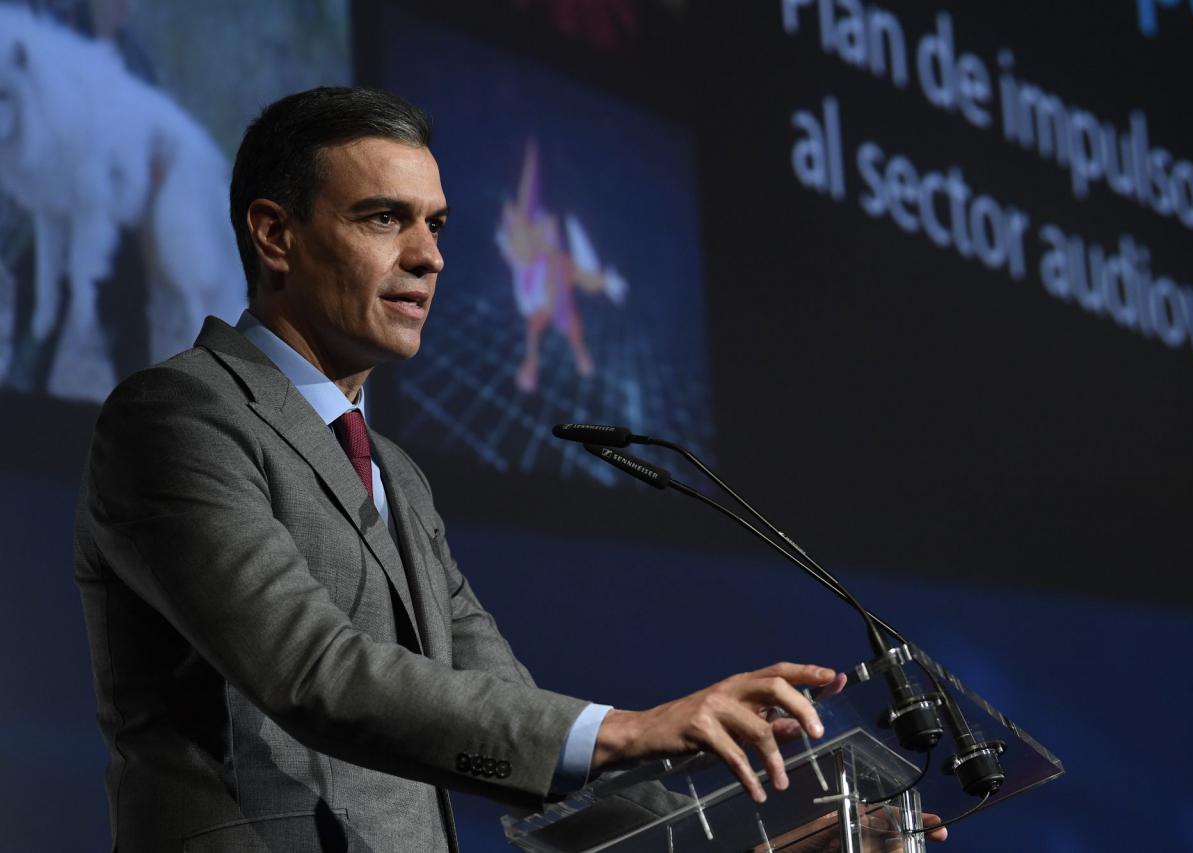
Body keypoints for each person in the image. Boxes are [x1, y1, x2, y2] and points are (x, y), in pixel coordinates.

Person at [73, 86, 845, 852]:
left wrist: (755, 848)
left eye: (436, 225)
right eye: (384, 218)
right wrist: (629, 728)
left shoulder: (399, 475)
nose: (429, 256)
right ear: (276, 235)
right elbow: (312, 672)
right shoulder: (177, 414)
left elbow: (513, 714)